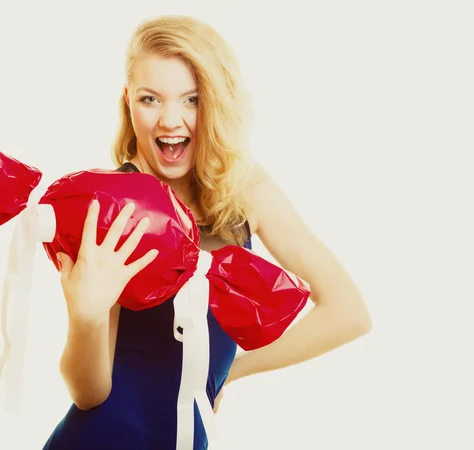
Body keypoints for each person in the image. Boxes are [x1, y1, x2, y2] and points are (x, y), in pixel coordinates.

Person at [41, 14, 372, 450]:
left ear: (215, 102)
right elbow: (89, 393)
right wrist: (84, 317)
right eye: (150, 99)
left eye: (192, 100)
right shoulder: (112, 201)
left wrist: (226, 372)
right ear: (128, 101)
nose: (170, 121)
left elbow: (348, 313)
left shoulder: (246, 190)